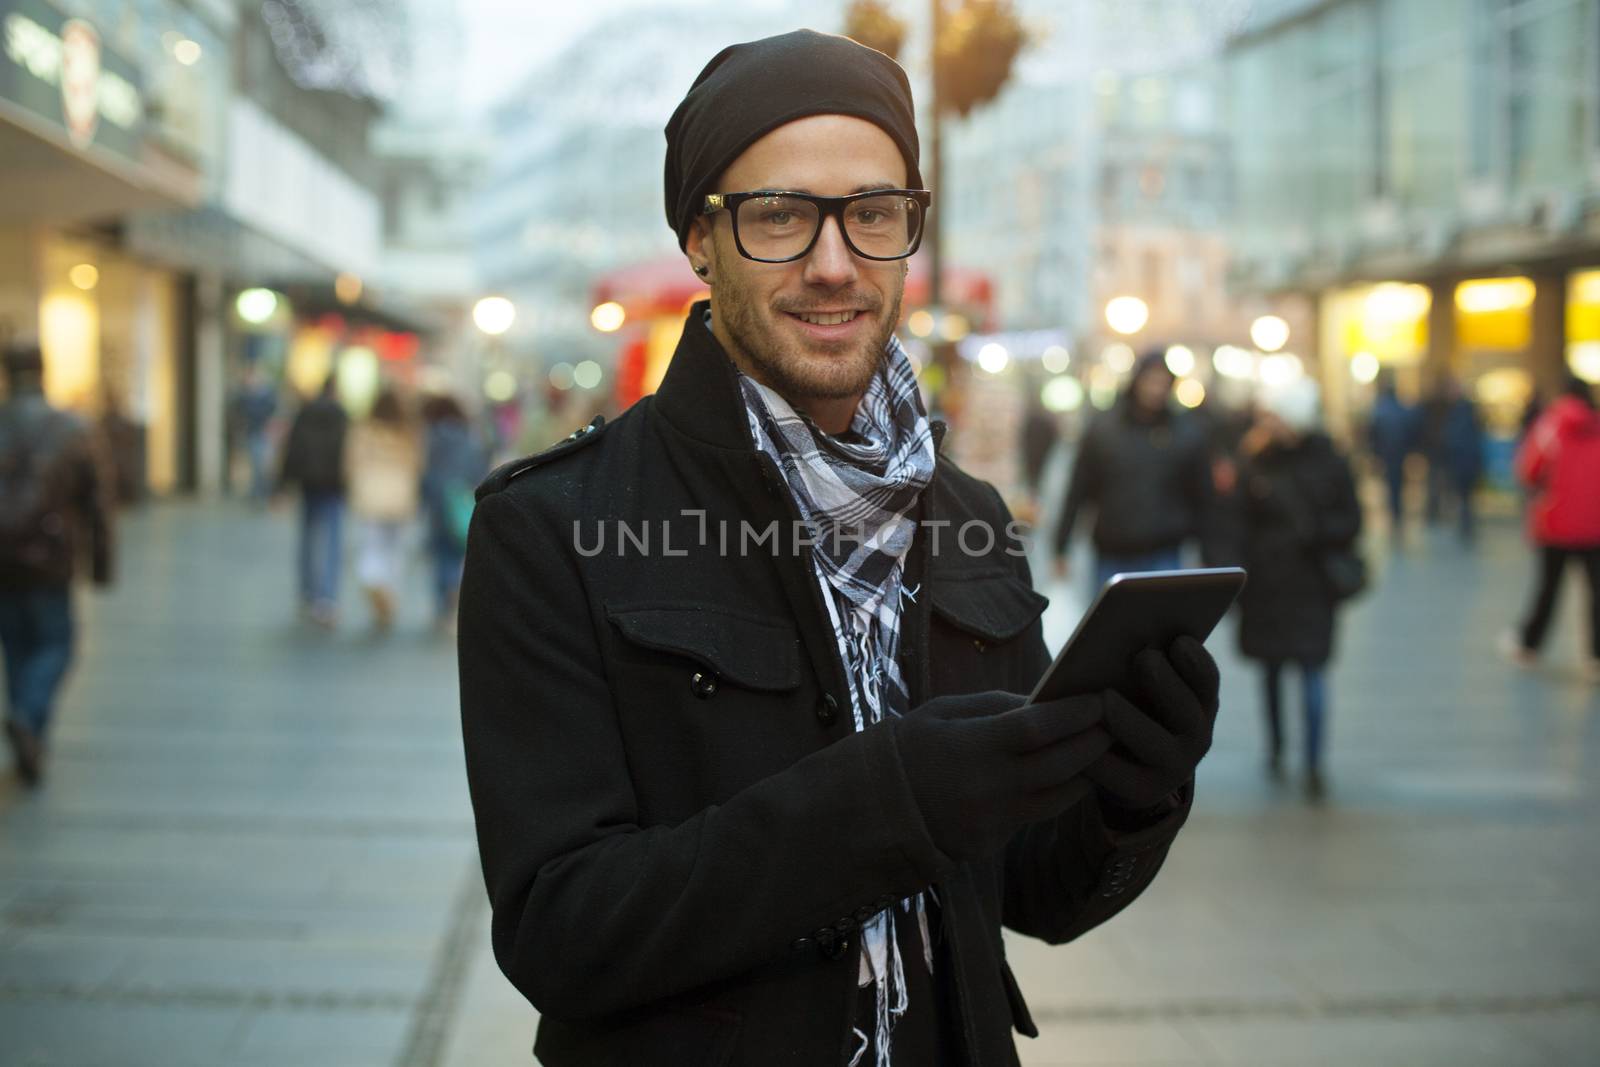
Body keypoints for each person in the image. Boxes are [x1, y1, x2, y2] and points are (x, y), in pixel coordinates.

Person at [457, 30, 1221, 1067]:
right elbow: (560, 926)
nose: (833, 263)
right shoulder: (553, 526)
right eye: (778, 215)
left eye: (872, 214)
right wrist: (888, 798)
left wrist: (1135, 790)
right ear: (699, 237)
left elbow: (1036, 887)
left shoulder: (964, 512)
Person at [1230, 377, 1362, 800]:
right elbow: (1237, 522)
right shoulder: (1256, 460)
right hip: (1269, 585)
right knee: (1275, 671)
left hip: (1307, 585)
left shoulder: (1327, 461)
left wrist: (1316, 533)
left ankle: (1310, 760)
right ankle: (1279, 749)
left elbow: (1351, 520)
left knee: (1310, 673)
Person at [0, 343, 114, 786]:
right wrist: (101, 563)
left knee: (16, 648)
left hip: (4, 560)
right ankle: (29, 721)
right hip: (50, 560)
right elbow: (97, 502)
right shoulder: (69, 428)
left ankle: (32, 736)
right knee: (56, 645)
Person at [1051, 349, 1214, 588]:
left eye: (1162, 382)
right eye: (1151, 380)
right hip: (1112, 552)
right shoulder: (1104, 429)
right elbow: (1078, 488)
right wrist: (1060, 545)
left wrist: (1210, 554)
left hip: (1164, 552)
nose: (1155, 389)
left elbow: (1203, 497)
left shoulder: (1186, 434)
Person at [1503, 375, 1600, 683]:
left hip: (1555, 521)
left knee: (1548, 587)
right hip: (1595, 523)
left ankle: (1529, 644)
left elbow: (1528, 469)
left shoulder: (1551, 424)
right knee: (1597, 590)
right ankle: (1596, 656)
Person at [346, 388, 421, 632]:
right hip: (399, 495)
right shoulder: (408, 431)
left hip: (371, 495)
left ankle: (374, 584)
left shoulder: (363, 430)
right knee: (395, 550)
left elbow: (351, 462)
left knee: (372, 545)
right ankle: (389, 593)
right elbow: (418, 463)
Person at [277, 377, 349, 628]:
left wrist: (283, 483)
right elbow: (348, 453)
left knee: (307, 538)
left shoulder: (305, 413)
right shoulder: (341, 416)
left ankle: (307, 591)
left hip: (309, 483)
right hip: (333, 485)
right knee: (332, 541)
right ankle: (327, 598)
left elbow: (293, 448)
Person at [419, 393, 488, 632]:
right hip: (462, 501)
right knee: (460, 552)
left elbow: (426, 472)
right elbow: (478, 467)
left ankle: (443, 603)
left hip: (439, 504)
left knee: (441, 555)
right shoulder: (469, 435)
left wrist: (425, 497)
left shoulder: (432, 436)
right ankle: (454, 595)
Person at [1421, 376, 1485, 543]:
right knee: (1463, 496)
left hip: (1461, 460)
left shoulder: (1459, 412)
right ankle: (1464, 522)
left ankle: (1464, 522)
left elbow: (1455, 437)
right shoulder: (1461, 411)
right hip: (1461, 460)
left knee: (1462, 495)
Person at [1366, 374, 1415, 542]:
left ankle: (1395, 513)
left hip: (1388, 454)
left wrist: (1374, 454)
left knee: (1391, 485)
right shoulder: (1401, 409)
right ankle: (1397, 513)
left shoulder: (1380, 409)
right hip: (1398, 454)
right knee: (1397, 485)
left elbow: (1373, 433)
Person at [232, 363, 279, 504]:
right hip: (251, 432)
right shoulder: (245, 394)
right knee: (254, 464)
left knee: (261, 464)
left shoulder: (265, 395)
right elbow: (239, 410)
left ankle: (261, 492)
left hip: (263, 433)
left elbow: (267, 411)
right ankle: (257, 492)